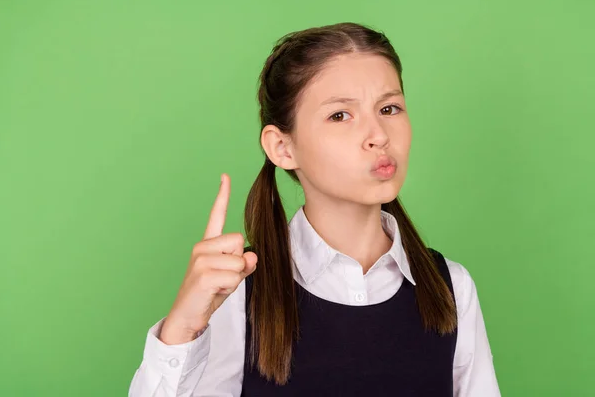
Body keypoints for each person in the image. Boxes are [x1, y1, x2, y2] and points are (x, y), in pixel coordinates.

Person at [128, 22, 501, 397]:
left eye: (389, 108)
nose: (379, 135)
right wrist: (182, 329)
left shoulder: (451, 288)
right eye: (340, 115)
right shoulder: (236, 295)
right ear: (282, 148)